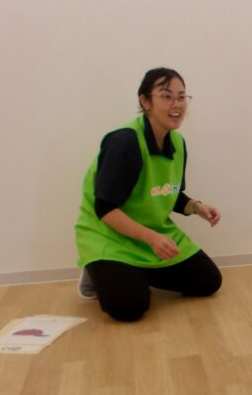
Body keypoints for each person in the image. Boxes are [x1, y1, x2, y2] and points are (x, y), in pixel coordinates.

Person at [75, 67, 222, 322]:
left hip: (152, 236)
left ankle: (132, 274)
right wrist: (151, 238)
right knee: (129, 307)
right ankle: (98, 271)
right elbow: (104, 209)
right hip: (109, 236)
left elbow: (167, 192)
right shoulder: (124, 142)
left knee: (209, 281)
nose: (176, 104)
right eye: (166, 96)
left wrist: (196, 207)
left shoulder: (177, 143)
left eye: (181, 97)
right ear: (145, 101)